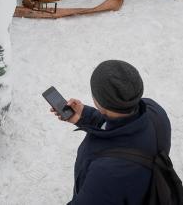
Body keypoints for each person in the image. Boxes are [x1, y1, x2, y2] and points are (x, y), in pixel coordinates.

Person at [51, 60, 173, 205]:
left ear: (99, 104)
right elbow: (121, 125)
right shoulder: (154, 111)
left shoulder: (105, 173)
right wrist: (85, 115)